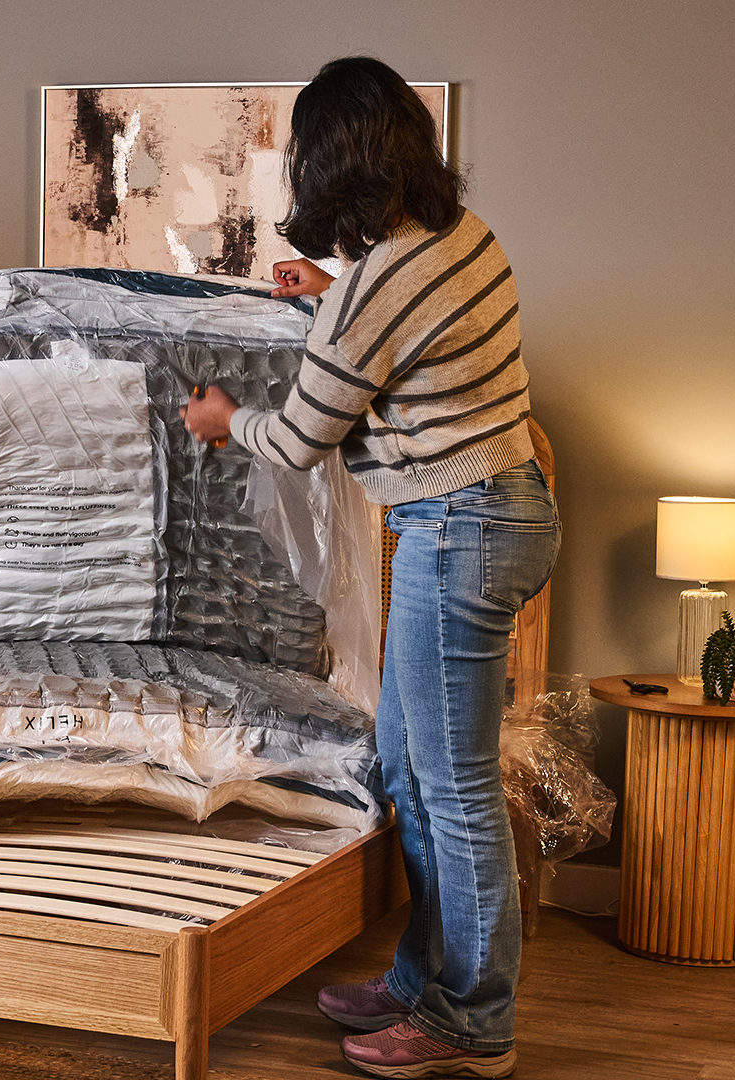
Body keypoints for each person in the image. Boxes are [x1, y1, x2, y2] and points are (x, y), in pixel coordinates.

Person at [183, 57, 557, 1079]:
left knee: (454, 787)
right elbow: (399, 326)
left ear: (331, 161)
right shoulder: (453, 238)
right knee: (406, 764)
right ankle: (422, 980)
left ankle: (472, 1022)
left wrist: (225, 420)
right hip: (501, 509)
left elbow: (301, 435)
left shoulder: (378, 289)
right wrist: (332, 292)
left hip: (458, 528)